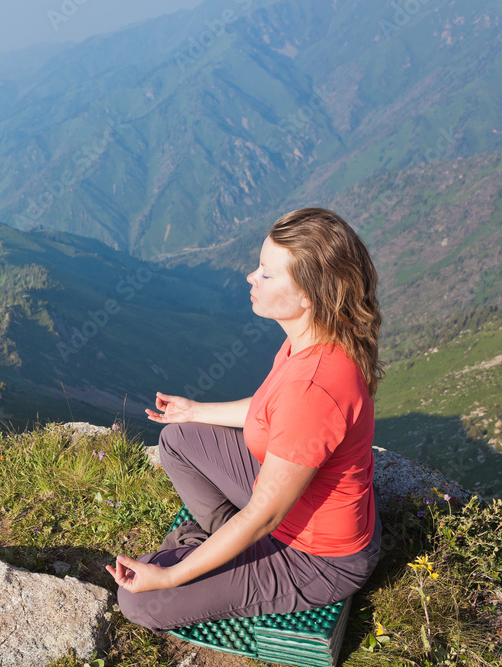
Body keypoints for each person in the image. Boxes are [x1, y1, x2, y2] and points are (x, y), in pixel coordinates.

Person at [106, 207, 383, 631]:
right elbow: (272, 407)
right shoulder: (313, 339)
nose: (251, 277)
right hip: (298, 506)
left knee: (140, 601)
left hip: (318, 557)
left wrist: (170, 576)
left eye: (267, 274)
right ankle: (222, 545)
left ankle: (218, 552)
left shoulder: (313, 389)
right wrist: (194, 411)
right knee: (179, 439)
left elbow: (264, 515)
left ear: (308, 296)